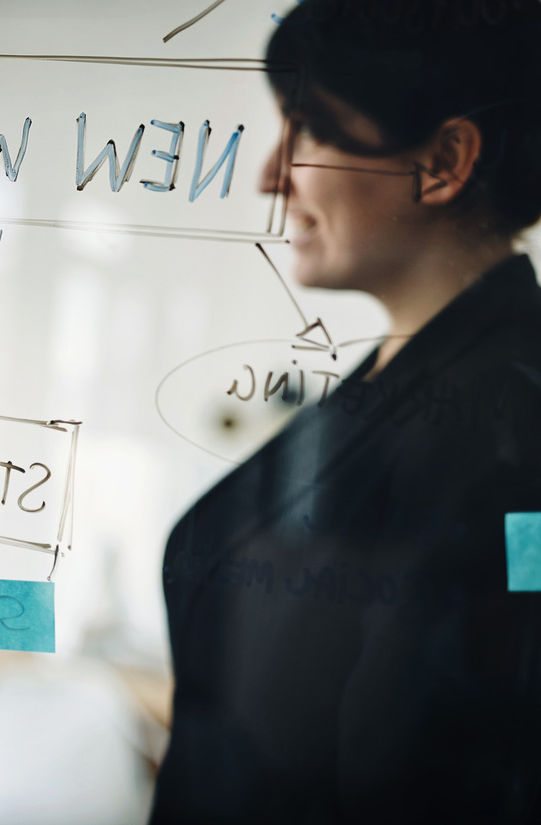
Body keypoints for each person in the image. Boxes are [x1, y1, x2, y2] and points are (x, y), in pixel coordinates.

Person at [153, 1, 541, 822]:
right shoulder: (405, 385)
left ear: (441, 161)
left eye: (307, 131)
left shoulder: (515, 433)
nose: (268, 175)